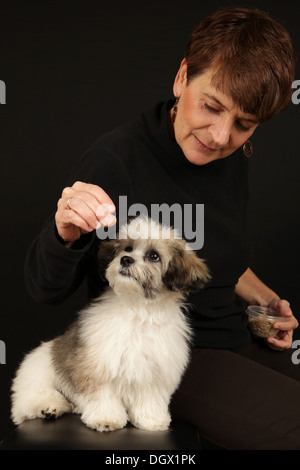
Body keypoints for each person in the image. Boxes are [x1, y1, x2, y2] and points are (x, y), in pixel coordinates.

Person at [24, 8, 300, 449]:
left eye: (244, 125)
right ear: (181, 77)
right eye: (211, 107)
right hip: (163, 356)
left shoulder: (229, 157)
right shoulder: (115, 161)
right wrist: (65, 233)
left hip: (241, 338)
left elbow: (219, 255)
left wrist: (266, 302)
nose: (219, 135)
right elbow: (45, 288)